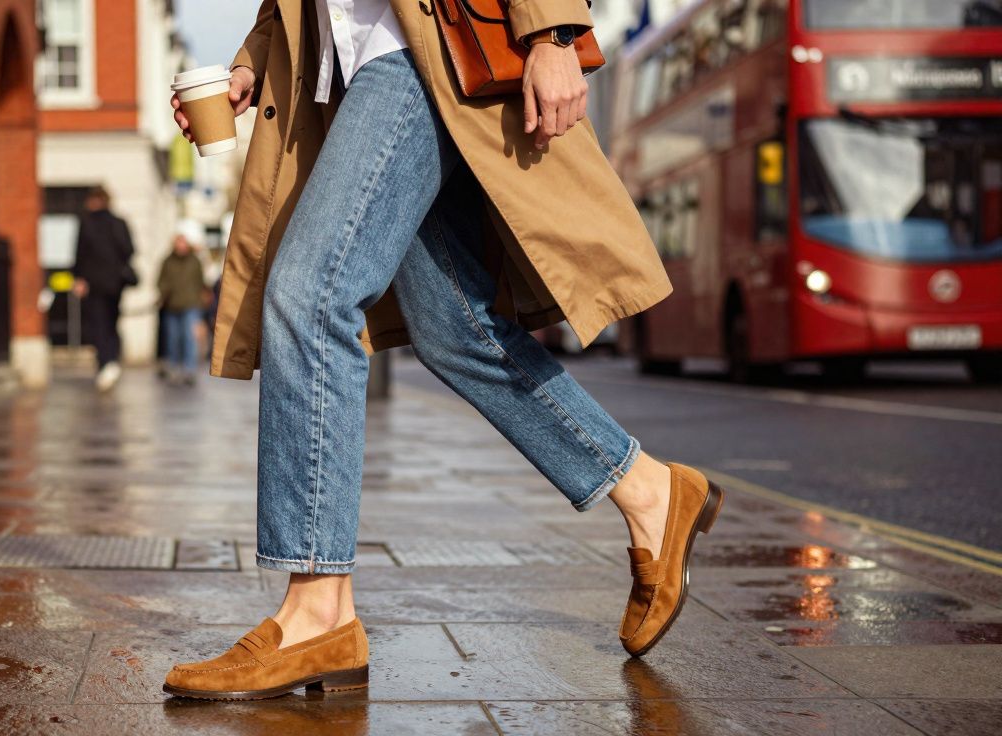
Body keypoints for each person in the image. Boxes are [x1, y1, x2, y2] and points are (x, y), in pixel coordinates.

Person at [163, 0, 725, 700]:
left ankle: (315, 611)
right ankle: (649, 489)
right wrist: (253, 59)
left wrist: (551, 31)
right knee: (455, 329)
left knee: (310, 299)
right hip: (352, 65)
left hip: (418, 46)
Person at [71, 187, 136, 392]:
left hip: (95, 284)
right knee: (111, 321)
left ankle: (106, 363)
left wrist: (79, 278)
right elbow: (129, 250)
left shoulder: (87, 223)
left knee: (99, 324)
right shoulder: (118, 223)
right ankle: (111, 361)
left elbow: (79, 254)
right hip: (115, 283)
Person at [156, 220, 209, 385]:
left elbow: (201, 282)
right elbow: (160, 281)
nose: (180, 245)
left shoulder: (195, 261)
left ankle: (189, 370)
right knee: (172, 338)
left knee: (189, 338)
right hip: (171, 305)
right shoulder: (167, 261)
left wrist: (203, 298)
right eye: (178, 242)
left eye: (183, 242)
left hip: (190, 305)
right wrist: (163, 293)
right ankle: (172, 367)